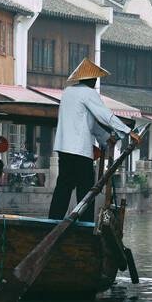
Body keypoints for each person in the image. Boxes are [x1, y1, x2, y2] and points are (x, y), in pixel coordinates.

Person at [49, 57, 131, 222]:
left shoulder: (68, 92)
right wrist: (127, 130)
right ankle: (85, 224)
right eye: (95, 79)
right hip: (80, 151)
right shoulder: (88, 92)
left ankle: (53, 220)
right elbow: (104, 115)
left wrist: (108, 138)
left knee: (63, 186)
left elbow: (90, 124)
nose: (95, 82)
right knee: (86, 189)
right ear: (91, 79)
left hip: (65, 149)